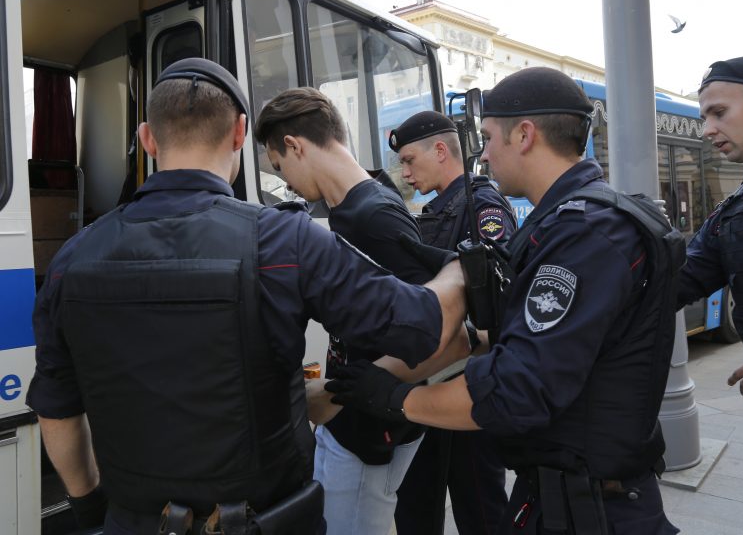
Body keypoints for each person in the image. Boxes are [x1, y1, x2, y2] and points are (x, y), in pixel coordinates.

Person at [25, 58, 467, 535]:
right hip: (263, 519)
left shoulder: (72, 259)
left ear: (148, 139)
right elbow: (422, 325)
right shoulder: (285, 241)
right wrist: (460, 269)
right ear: (239, 134)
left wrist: (91, 509)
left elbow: (57, 410)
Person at [324, 67, 683, 534]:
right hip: (563, 497)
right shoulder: (563, 223)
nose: (485, 154)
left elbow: (516, 389)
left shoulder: (585, 234)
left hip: (592, 510)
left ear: (525, 135)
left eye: (489, 138)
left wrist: (398, 399)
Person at [254, 87, 471, 535]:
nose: (286, 183)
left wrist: (335, 394)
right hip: (356, 428)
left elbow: (447, 339)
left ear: (294, 145)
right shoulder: (353, 206)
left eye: (279, 166)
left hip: (369, 434)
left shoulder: (373, 217)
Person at [388, 110, 515, 535]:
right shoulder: (437, 209)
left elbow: (492, 294)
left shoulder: (483, 206)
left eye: (409, 160)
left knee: (479, 506)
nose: (406, 173)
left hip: (468, 381)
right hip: (434, 378)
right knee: (417, 504)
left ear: (440, 150)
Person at [677, 55, 743, 479]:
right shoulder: (731, 216)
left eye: (719, 112)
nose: (707, 130)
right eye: (704, 117)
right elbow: (674, 283)